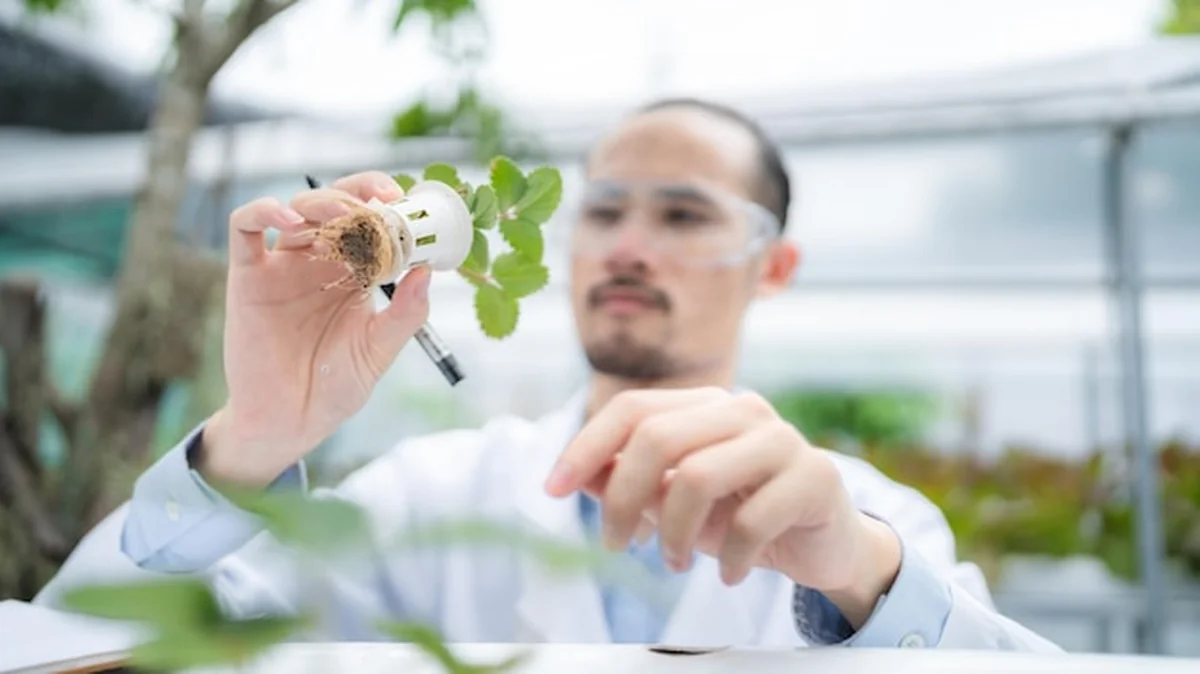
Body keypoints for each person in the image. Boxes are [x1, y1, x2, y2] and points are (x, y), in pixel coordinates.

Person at [118, 98, 1060, 651]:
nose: (628, 247)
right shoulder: (429, 497)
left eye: (685, 216)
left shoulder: (874, 527)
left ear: (774, 266)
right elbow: (121, 644)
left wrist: (857, 571)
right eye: (605, 213)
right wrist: (260, 431)